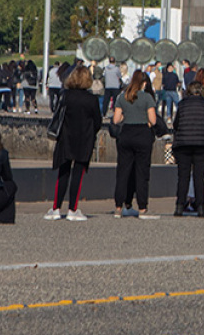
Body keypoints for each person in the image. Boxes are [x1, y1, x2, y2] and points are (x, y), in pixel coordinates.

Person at [47, 65, 103, 221]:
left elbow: (58, 115)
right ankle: (73, 209)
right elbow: (97, 121)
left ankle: (56, 208)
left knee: (63, 173)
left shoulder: (65, 96)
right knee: (78, 174)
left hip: (66, 137)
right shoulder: (92, 99)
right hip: (84, 138)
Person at [113, 70, 158, 218]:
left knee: (123, 172)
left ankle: (119, 206)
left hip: (126, 134)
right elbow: (153, 120)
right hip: (142, 134)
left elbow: (116, 120)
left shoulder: (123, 96)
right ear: (144, 83)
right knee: (142, 172)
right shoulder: (147, 98)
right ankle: (142, 207)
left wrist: (127, 115)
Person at [172, 80, 204, 217]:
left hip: (183, 143)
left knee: (183, 176)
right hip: (202, 144)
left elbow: (176, 124)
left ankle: (179, 206)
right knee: (199, 176)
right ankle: (201, 207)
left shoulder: (182, 105)